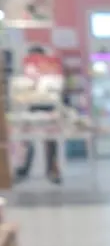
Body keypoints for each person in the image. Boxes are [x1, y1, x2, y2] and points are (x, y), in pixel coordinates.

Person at [14, 46, 61, 185]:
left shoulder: (51, 71)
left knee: (50, 141)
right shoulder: (28, 71)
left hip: (48, 108)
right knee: (27, 140)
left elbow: (55, 89)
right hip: (32, 108)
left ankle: (51, 170)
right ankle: (24, 169)